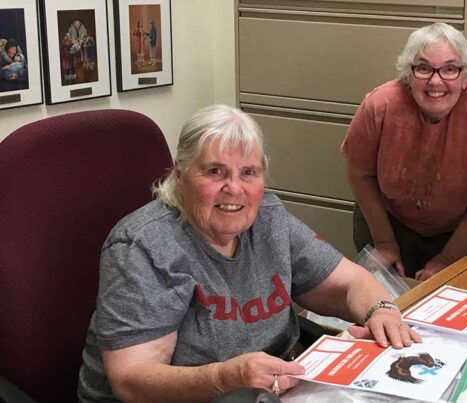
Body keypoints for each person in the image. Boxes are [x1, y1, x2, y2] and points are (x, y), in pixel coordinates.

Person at [77, 105, 420, 402]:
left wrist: (381, 310)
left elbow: (350, 282)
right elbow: (132, 380)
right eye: (215, 172)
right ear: (180, 177)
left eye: (248, 173)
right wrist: (226, 378)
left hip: (268, 390)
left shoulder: (269, 218)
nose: (235, 188)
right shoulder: (144, 246)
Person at [341, 23, 467, 281]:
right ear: (407, 74)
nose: (435, 81)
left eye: (450, 69)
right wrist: (385, 242)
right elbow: (359, 174)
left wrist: (448, 258)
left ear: (466, 77)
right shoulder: (380, 104)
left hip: (461, 229)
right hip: (388, 221)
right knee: (386, 302)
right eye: (423, 68)